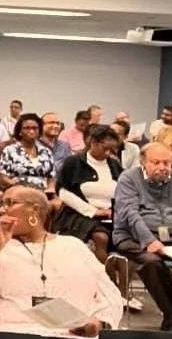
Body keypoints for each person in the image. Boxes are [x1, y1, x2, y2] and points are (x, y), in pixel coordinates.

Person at [0, 186, 124, 338]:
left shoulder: (73, 246)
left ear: (34, 209)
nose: (2, 210)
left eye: (10, 203)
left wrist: (100, 323)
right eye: (1, 204)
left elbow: (110, 296)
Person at [112, 142, 172, 329]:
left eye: (166, 163)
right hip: (133, 238)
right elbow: (130, 214)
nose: (162, 167)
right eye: (156, 162)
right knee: (152, 262)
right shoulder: (128, 178)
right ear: (143, 162)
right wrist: (149, 240)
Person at [55, 125, 129, 301]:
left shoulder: (114, 165)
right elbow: (64, 193)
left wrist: (115, 211)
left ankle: (120, 290)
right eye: (105, 148)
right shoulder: (74, 162)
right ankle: (110, 288)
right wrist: (93, 211)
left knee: (125, 240)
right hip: (79, 213)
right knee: (100, 238)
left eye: (112, 149)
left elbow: (124, 192)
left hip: (111, 215)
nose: (109, 153)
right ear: (93, 143)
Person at [0, 113, 57, 191]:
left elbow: (51, 177)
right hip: (18, 192)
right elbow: (3, 178)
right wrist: (22, 187)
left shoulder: (46, 151)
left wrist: (50, 189)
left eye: (35, 128)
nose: (31, 131)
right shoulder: (9, 150)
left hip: (43, 194)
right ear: (20, 131)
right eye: (27, 128)